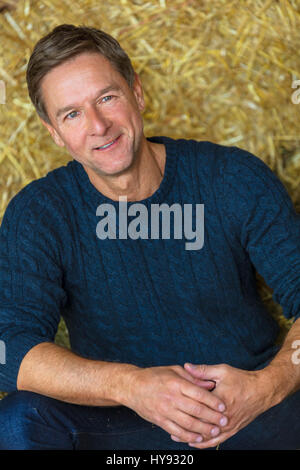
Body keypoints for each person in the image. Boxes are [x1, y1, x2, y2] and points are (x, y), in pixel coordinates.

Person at [0, 24, 299, 451]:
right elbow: (7, 347)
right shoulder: (39, 214)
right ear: (54, 133)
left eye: (107, 97)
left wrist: (268, 385)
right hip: (126, 428)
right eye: (72, 113)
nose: (98, 125)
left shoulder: (232, 177)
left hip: (252, 411)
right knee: (15, 423)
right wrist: (131, 386)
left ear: (137, 93)